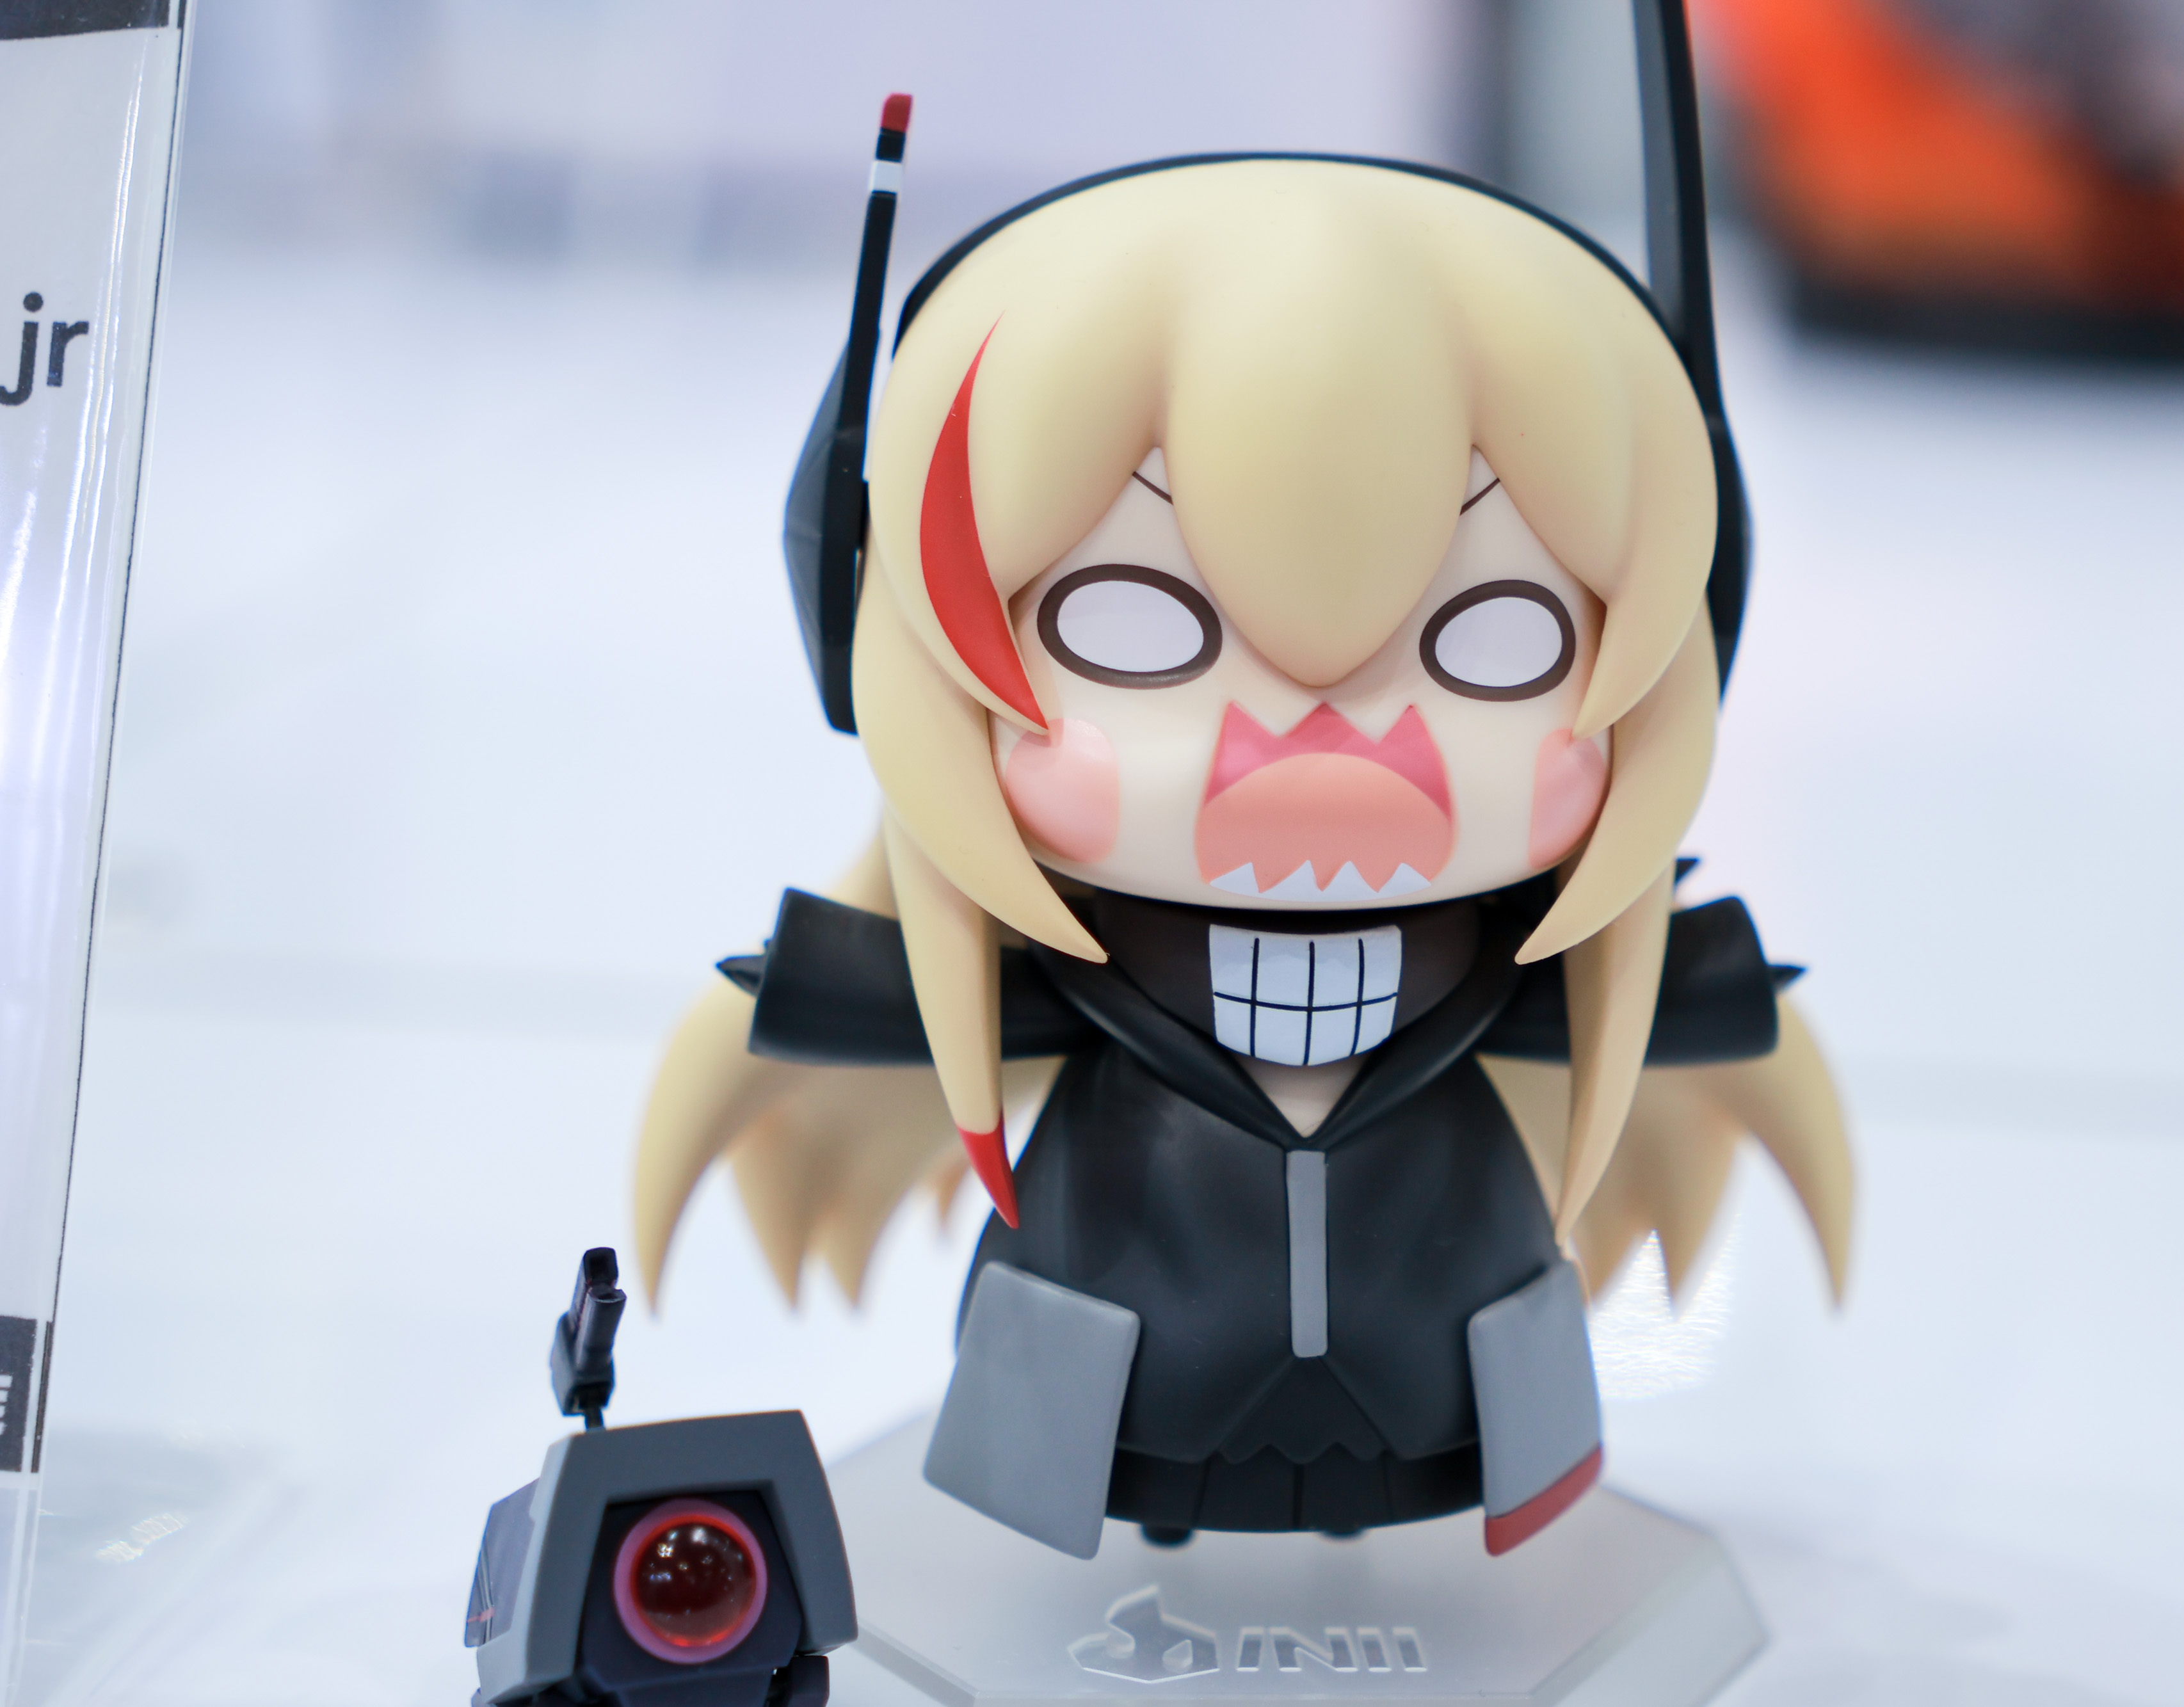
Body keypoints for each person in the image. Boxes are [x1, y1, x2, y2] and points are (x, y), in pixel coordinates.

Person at [634, 157, 1851, 1562]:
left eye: (1497, 636)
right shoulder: (1076, 964)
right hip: (1129, 1347)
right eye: (1131, 622)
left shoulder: (1501, 968)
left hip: (1437, 1356)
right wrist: (817, 985)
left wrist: (1707, 986)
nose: (1323, 760)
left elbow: (1625, 1011)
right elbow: (900, 1002)